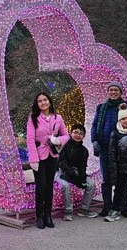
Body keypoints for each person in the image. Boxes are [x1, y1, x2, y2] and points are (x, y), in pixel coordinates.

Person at [90, 81, 127, 217]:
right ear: (108, 92)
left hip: (121, 147)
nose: (113, 92)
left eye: (116, 90)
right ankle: (107, 206)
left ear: (121, 92)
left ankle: (123, 206)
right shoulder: (101, 107)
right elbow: (94, 125)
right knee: (106, 178)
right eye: (111, 90)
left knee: (122, 177)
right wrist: (94, 140)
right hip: (104, 147)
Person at [27, 92, 70, 229]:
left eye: (45, 100)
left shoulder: (58, 118)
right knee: (41, 187)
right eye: (40, 101)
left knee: (49, 186)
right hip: (39, 156)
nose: (43, 102)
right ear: (37, 104)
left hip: (52, 155)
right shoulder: (33, 118)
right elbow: (30, 140)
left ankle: (48, 215)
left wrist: (57, 140)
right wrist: (34, 159)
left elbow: (66, 135)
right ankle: (39, 216)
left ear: (49, 101)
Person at [56, 123, 98, 221]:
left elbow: (83, 166)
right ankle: (68, 211)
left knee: (91, 184)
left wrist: (81, 179)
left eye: (81, 133)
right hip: (62, 173)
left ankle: (84, 209)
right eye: (75, 132)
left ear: (83, 136)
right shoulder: (64, 146)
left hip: (77, 173)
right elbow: (62, 162)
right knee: (65, 186)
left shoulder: (84, 150)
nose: (77, 135)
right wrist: (73, 175)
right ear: (71, 133)